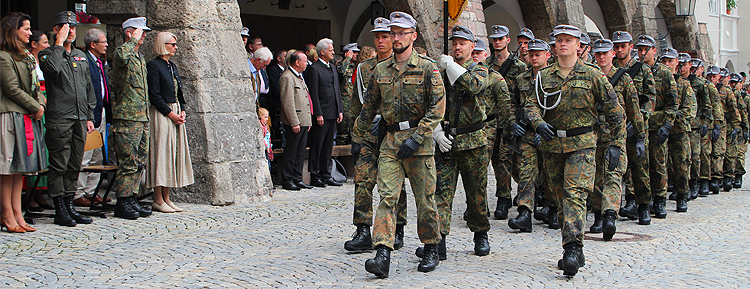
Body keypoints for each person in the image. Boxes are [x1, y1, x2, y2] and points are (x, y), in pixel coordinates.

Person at [525, 25, 625, 276]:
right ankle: (574, 246)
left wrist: (615, 144)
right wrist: (538, 124)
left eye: (568, 40)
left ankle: (572, 248)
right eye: (559, 40)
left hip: (582, 146)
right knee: (560, 199)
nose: (563, 45)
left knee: (575, 195)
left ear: (579, 45)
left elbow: (616, 113)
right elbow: (530, 105)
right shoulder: (544, 76)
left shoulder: (593, 76)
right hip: (552, 147)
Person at [353, 11, 444, 277]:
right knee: (387, 198)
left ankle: (430, 247)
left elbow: (437, 107)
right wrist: (359, 139)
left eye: (401, 33)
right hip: (391, 143)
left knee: (425, 200)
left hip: (420, 144)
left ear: (413, 36)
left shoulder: (428, 67)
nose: (395, 38)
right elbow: (368, 109)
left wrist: (418, 137)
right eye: (393, 33)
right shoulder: (380, 69)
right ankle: (383, 254)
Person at [345, 18, 409, 253]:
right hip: (368, 135)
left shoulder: (401, 66)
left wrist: (385, 118)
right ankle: (362, 229)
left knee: (393, 183)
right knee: (362, 181)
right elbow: (355, 104)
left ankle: (397, 227)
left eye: (385, 36)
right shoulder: (364, 68)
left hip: (391, 134)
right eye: (377, 37)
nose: (381, 41)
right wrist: (355, 136)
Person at [427, 26, 491, 257]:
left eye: (462, 43)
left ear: (472, 46)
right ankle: (439, 240)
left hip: (473, 142)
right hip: (448, 141)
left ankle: (480, 233)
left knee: (476, 194)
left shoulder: (481, 70)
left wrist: (450, 66)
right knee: (441, 193)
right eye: (454, 43)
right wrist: (436, 132)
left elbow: (472, 86)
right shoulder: (442, 72)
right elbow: (432, 102)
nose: (457, 47)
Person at [38, 11, 95, 227]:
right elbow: (51, 69)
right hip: (61, 118)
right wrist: (59, 44)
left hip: (80, 117)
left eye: (72, 28)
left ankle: (70, 205)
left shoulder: (80, 55)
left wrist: (89, 115)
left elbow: (87, 87)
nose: (70, 31)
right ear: (56, 29)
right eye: (65, 27)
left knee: (74, 164)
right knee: (59, 164)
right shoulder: (48, 54)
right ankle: (60, 208)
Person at [588, 39, 643, 240]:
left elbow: (634, 111)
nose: (602, 57)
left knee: (613, 175)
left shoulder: (625, 79)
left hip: (615, 136)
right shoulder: (590, 77)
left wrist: (640, 137)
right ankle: (597, 215)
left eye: (605, 53)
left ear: (613, 54)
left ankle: (610, 214)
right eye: (598, 54)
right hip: (593, 136)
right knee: (595, 178)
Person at [0, 12, 47, 233]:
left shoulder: (27, 56)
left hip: (26, 114)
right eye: (26, 28)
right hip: (10, 115)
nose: (30, 33)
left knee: (19, 168)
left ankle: (19, 213)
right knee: (7, 167)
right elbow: (11, 88)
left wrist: (41, 104)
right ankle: (7, 213)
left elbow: (35, 86)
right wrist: (35, 106)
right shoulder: (4, 56)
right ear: (13, 30)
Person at [146, 31, 194, 213]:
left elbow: (179, 91)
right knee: (161, 154)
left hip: (174, 111)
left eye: (175, 44)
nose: (175, 47)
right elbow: (154, 94)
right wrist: (170, 113)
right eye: (171, 44)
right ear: (162, 44)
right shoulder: (154, 65)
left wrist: (182, 110)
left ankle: (167, 197)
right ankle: (157, 198)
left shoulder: (171, 66)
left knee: (172, 154)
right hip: (162, 112)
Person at [110, 17, 153, 219]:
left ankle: (132, 198)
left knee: (140, 161)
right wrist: (132, 40)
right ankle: (123, 201)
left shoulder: (138, 57)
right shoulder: (123, 52)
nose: (143, 35)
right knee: (128, 161)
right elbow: (121, 58)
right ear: (129, 32)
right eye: (139, 31)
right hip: (127, 117)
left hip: (141, 117)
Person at [612, 31, 656, 225]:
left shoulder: (643, 70)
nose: (620, 50)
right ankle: (614, 208)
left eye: (623, 46)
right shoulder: (609, 69)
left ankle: (643, 205)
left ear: (631, 47)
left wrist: (640, 119)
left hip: (636, 125)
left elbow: (650, 99)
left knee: (639, 168)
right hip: (614, 127)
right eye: (617, 46)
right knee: (613, 168)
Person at [507, 39, 552, 232]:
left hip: (550, 133)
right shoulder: (521, 79)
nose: (534, 57)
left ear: (547, 55)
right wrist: (513, 122)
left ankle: (553, 208)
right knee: (526, 172)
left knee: (551, 174)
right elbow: (513, 104)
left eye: (538, 54)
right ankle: (525, 212)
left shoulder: (555, 77)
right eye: (531, 54)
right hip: (527, 134)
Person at [635, 35, 679, 220]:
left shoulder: (664, 72)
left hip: (658, 123)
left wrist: (668, 124)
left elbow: (673, 102)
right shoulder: (634, 70)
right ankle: (643, 203)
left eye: (646, 49)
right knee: (641, 166)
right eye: (639, 49)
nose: (642, 53)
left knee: (659, 164)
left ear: (654, 51)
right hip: (640, 124)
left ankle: (660, 200)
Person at [486, 24, 526, 220]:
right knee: (491, 160)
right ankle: (494, 198)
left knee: (507, 161)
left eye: (500, 39)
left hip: (510, 122)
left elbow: (523, 94)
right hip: (491, 121)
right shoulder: (486, 66)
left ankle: (506, 197)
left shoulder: (518, 66)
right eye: (494, 39)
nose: (497, 42)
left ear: (508, 40)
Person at [75, 28, 110, 207]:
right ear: (93, 44)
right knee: (86, 154)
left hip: (102, 110)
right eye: (103, 42)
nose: (106, 45)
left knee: (97, 155)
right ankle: (79, 193)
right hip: (90, 113)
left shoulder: (99, 62)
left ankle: (91, 191)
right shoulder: (84, 61)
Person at [305, 38, 343, 187]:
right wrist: (318, 113)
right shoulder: (314, 69)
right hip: (322, 114)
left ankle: (326, 174)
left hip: (333, 112)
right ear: (322, 52)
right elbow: (314, 93)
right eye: (330, 50)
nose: (333, 52)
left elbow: (336, 90)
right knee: (317, 145)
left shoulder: (332, 67)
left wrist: (340, 109)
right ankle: (315, 175)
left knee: (328, 146)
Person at [660, 48, 695, 212]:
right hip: (660, 129)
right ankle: (659, 197)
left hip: (679, 130)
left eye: (670, 61)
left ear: (676, 63)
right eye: (664, 61)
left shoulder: (684, 85)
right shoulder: (658, 82)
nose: (667, 64)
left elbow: (688, 110)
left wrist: (670, 117)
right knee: (660, 164)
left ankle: (682, 195)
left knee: (681, 164)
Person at [26, 30, 52, 212]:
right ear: (34, 44)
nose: (47, 45)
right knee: (32, 149)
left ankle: (40, 192)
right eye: (44, 42)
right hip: (35, 104)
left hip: (44, 102)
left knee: (44, 148)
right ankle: (29, 193)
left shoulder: (43, 61)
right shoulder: (27, 60)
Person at [279, 50, 312, 191]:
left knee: (300, 152)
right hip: (295, 121)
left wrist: (307, 120)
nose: (307, 63)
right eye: (305, 60)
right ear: (297, 62)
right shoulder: (287, 77)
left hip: (304, 120)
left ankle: (297, 178)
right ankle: (288, 179)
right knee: (291, 151)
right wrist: (294, 122)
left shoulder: (299, 76)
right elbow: (288, 102)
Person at [685, 58, 712, 199]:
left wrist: (706, 122)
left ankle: (696, 181)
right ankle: (684, 185)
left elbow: (706, 105)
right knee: (682, 158)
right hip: (681, 125)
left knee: (696, 156)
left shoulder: (700, 84)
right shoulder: (675, 81)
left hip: (695, 125)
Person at [715, 68, 741, 192]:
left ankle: (728, 177)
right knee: (717, 151)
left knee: (730, 152)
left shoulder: (729, 92)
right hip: (716, 123)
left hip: (728, 123)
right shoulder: (712, 88)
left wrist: (737, 126)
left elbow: (735, 110)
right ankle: (716, 177)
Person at [336, 43, 359, 145]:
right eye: (353, 52)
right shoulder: (342, 64)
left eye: (357, 52)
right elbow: (341, 72)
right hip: (344, 103)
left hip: (353, 102)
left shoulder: (356, 66)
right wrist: (347, 58)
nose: (356, 54)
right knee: (343, 132)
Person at [266, 49, 287, 149]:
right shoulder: (273, 70)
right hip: (277, 104)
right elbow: (275, 88)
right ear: (279, 59)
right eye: (284, 56)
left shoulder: (287, 70)